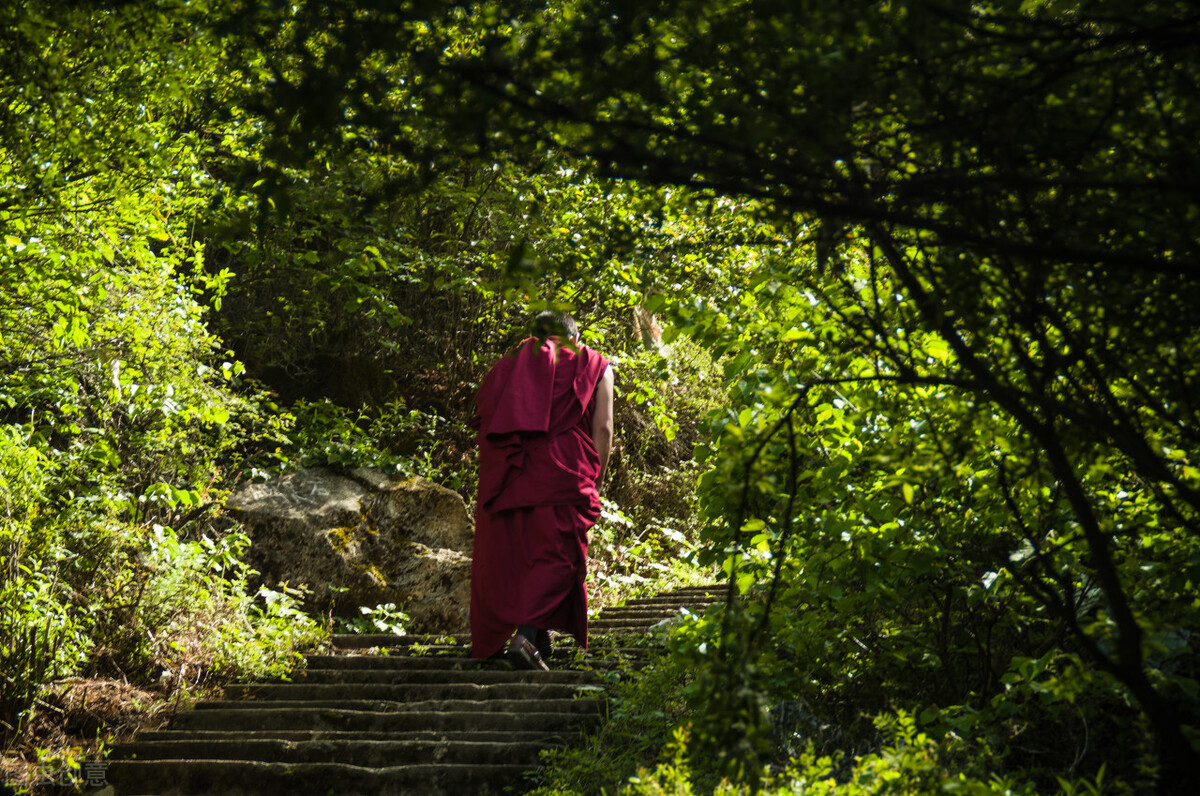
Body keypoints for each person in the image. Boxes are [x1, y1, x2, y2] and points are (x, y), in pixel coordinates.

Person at [469, 310, 614, 670]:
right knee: (558, 557)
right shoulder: (593, 363)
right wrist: (595, 478)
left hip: (510, 477)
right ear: (575, 339)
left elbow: (487, 423)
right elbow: (605, 430)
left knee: (521, 556)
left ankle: (536, 637)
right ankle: (524, 640)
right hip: (565, 473)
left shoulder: (507, 366)